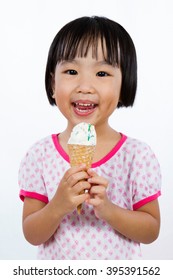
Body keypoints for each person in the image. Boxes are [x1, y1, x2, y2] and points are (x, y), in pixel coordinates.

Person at [18, 16, 161, 260]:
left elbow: (151, 231)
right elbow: (32, 235)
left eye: (102, 73)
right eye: (71, 71)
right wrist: (58, 206)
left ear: (123, 84)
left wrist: (108, 210)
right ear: (53, 82)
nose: (85, 86)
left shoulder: (137, 155)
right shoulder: (39, 155)